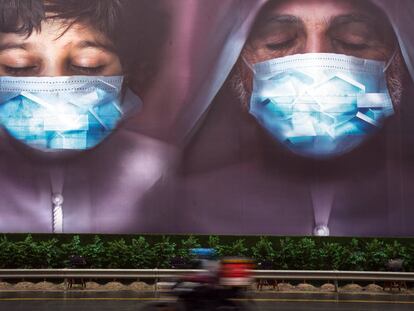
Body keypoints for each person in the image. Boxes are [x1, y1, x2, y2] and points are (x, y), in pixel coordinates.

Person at [155, 0, 414, 236]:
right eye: (278, 41)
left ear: (398, 59)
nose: (314, 61)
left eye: (353, 40)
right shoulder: (177, 208)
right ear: (236, 64)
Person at [0, 0, 175, 233]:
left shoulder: (157, 172)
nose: (53, 90)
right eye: (18, 66)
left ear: (129, 72)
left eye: (87, 65)